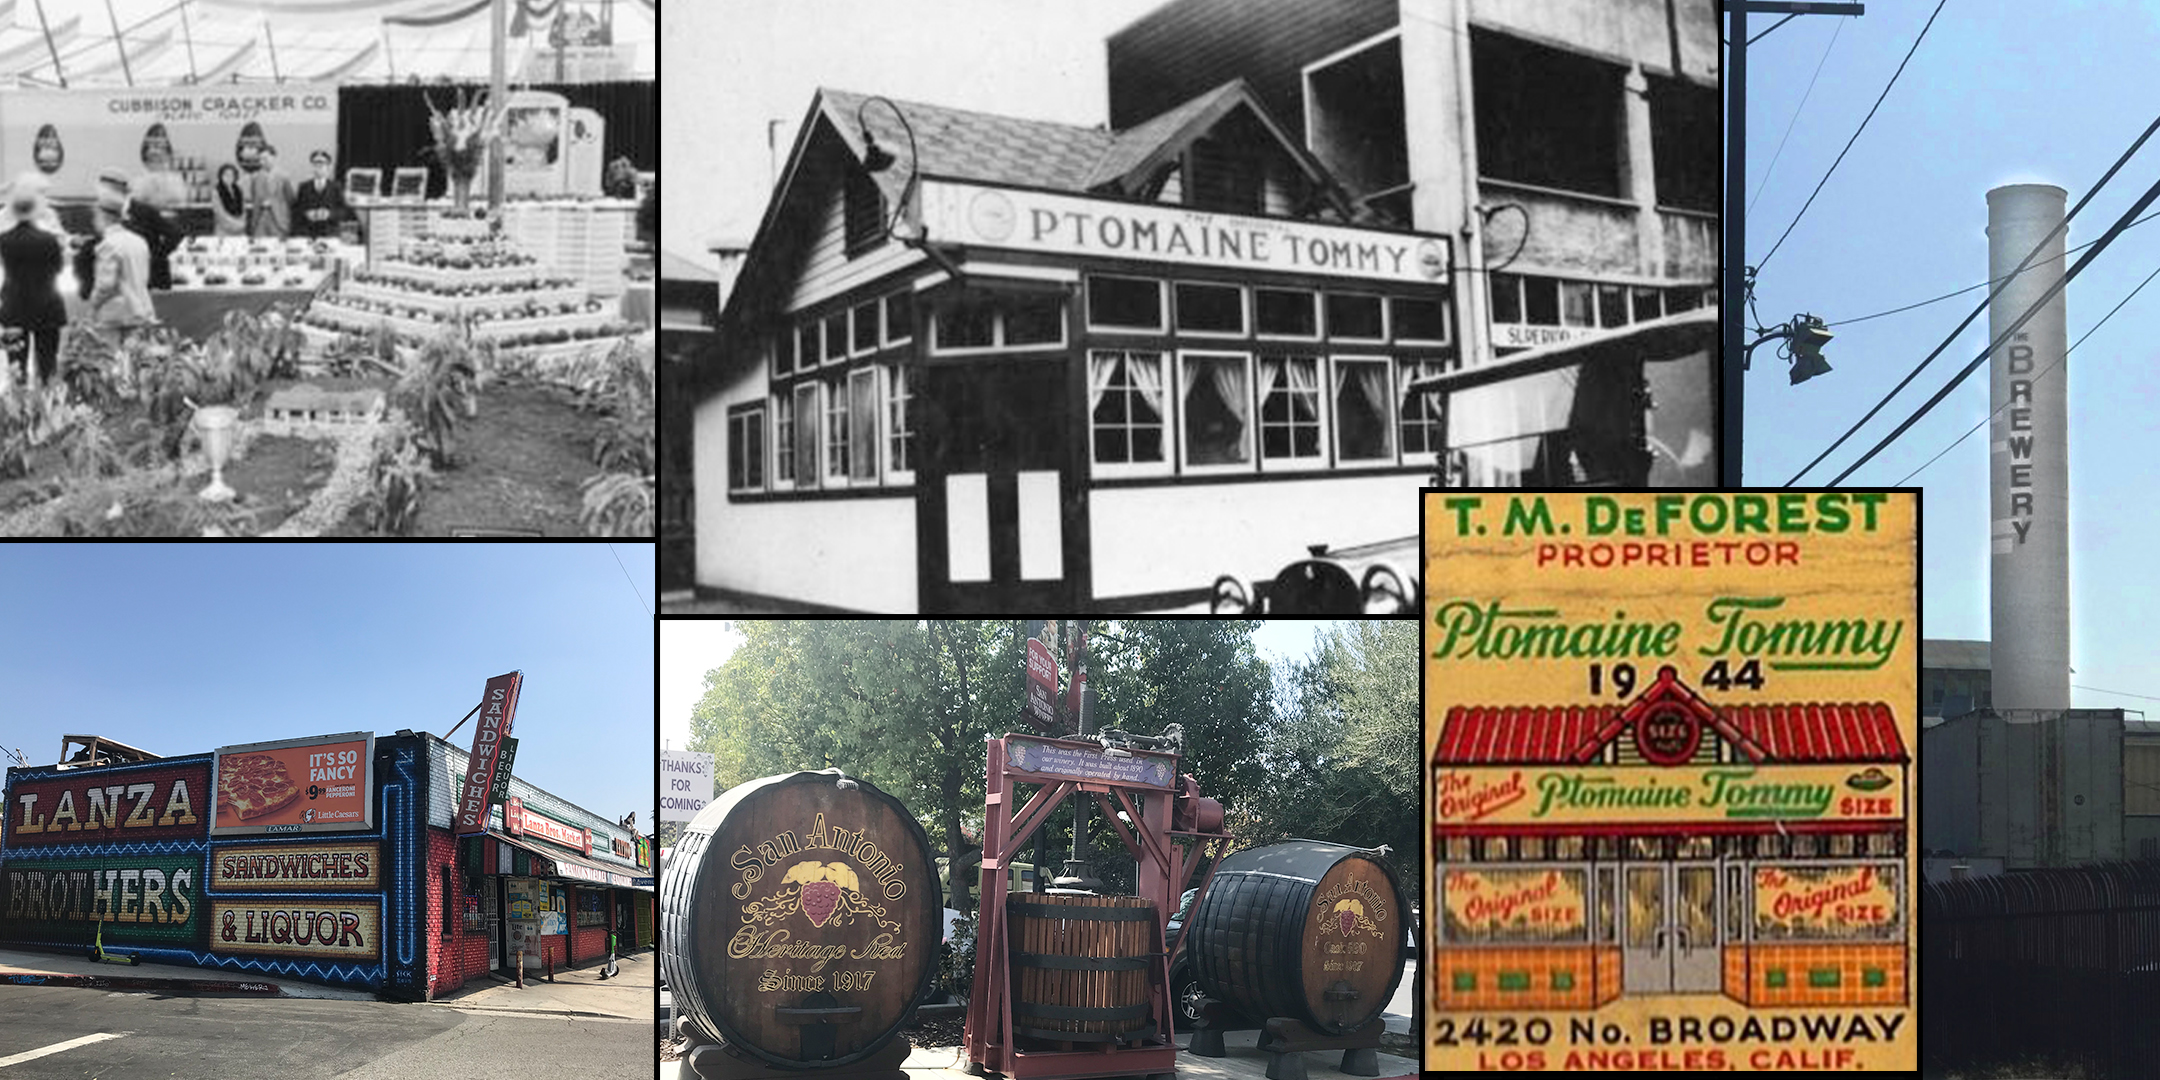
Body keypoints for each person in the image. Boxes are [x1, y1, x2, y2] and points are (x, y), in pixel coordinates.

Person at [0, 174, 66, 387]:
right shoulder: (49, 240)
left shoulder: (4, 240)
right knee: (48, 366)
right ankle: (49, 410)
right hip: (48, 306)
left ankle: (18, 414)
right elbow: (58, 269)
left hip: (14, 307)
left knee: (16, 368)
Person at [88, 188, 155, 330]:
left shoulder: (108, 245)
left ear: (103, 216)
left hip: (117, 316)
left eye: (95, 216)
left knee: (114, 352)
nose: (93, 220)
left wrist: (93, 305)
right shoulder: (139, 241)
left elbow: (105, 285)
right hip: (143, 309)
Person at [103, 167, 175, 291]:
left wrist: (156, 256)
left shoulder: (144, 211)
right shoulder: (106, 213)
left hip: (151, 280)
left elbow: (175, 233)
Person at [291, 149, 349, 239]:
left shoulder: (336, 187)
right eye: (315, 164)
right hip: (308, 233)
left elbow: (344, 211)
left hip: (330, 232)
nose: (318, 166)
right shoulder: (304, 187)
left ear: (328, 167)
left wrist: (329, 214)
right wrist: (306, 214)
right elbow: (296, 210)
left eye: (322, 163)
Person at [247, 145, 293, 238]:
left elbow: (290, 199)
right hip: (260, 217)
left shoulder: (283, 176)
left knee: (278, 249)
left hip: (278, 219)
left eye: (265, 158)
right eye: (260, 159)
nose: (262, 162)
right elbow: (254, 197)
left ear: (274, 157)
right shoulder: (255, 177)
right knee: (259, 248)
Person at [211, 164, 248, 236]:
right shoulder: (216, 191)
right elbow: (220, 214)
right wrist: (236, 224)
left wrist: (242, 222)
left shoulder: (238, 190)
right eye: (226, 175)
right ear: (221, 176)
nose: (229, 177)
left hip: (240, 230)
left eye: (231, 175)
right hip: (224, 231)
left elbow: (243, 209)